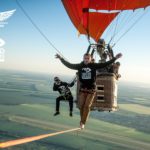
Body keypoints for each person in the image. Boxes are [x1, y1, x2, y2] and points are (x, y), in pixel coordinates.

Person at [55, 52, 122, 129]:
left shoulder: (93, 66)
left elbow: (105, 64)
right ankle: (82, 121)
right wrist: (61, 59)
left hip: (91, 89)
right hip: (83, 88)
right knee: (81, 106)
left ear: (90, 59)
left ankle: (83, 123)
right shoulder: (80, 66)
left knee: (87, 106)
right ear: (83, 59)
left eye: (88, 59)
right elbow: (69, 65)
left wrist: (115, 58)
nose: (86, 60)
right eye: (85, 58)